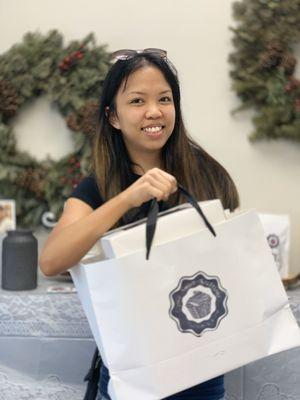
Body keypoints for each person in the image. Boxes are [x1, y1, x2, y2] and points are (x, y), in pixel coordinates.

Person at [39, 48, 239, 400]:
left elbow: (230, 258)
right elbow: (52, 260)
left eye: (165, 99)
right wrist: (127, 199)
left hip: (202, 373)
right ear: (113, 116)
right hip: (132, 373)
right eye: (136, 100)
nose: (154, 111)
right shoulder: (97, 186)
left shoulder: (207, 173)